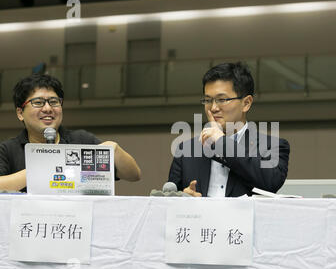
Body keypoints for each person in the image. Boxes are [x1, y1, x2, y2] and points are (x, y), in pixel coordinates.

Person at [0, 73, 142, 192]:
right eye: (38, 102)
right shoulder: (7, 150)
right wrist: (46, 167)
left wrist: (114, 149)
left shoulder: (81, 140)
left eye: (54, 101)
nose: (48, 108)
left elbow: (133, 175)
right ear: (20, 113)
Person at [168, 62, 290, 197]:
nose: (213, 108)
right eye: (208, 100)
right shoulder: (186, 150)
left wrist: (221, 141)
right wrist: (183, 198)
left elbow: (271, 182)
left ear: (246, 103)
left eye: (222, 99)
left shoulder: (271, 146)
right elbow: (170, 200)